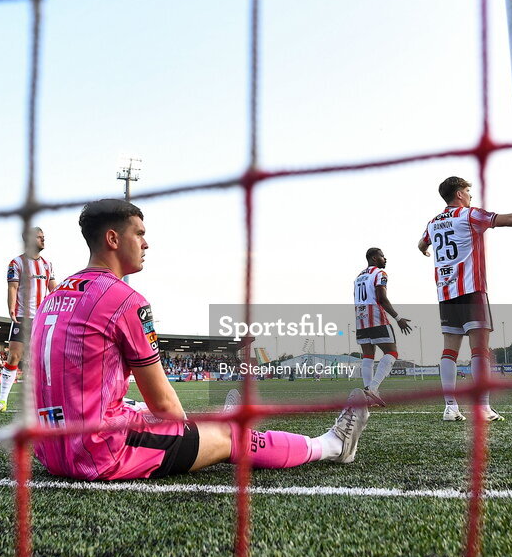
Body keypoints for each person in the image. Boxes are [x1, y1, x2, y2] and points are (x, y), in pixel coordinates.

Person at [31, 198, 369, 481]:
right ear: (113, 239)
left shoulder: (53, 295)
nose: (146, 244)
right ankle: (332, 446)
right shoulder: (123, 299)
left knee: (142, 410)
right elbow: (166, 406)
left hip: (50, 449)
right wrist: (198, 433)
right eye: (139, 234)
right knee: (226, 436)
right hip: (96, 452)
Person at [418, 177, 512, 422]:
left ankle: (450, 408)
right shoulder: (469, 215)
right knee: (480, 349)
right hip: (472, 290)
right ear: (458, 194)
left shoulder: (433, 223)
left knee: (449, 351)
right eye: (467, 191)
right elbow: (507, 220)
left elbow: (421, 242)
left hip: (445, 292)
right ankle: (482, 408)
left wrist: (425, 249)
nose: (470, 195)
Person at [0, 226, 57, 413]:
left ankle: (42, 404)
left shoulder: (47, 264)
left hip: (43, 318)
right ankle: (2, 401)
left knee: (42, 360)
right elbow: (12, 287)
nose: (44, 240)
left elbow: (54, 290)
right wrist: (11, 307)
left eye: (44, 237)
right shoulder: (16, 263)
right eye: (40, 237)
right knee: (14, 355)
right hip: (23, 316)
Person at [353, 247, 412, 405]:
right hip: (376, 318)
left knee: (368, 355)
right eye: (382, 256)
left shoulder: (358, 277)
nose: (385, 259)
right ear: (374, 258)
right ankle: (372, 388)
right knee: (391, 352)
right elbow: (381, 298)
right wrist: (398, 318)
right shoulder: (380, 274)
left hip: (360, 318)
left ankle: (368, 395)